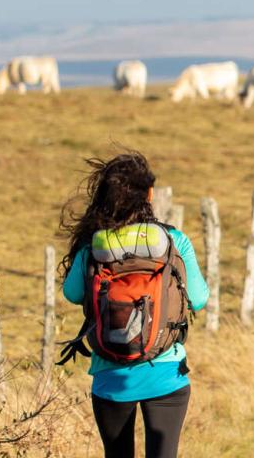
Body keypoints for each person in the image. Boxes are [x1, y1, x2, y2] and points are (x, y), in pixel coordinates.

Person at [57, 153, 208, 458]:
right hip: (166, 371)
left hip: (111, 376)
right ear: (149, 194)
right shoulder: (174, 240)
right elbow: (200, 298)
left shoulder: (95, 246)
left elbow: (72, 293)